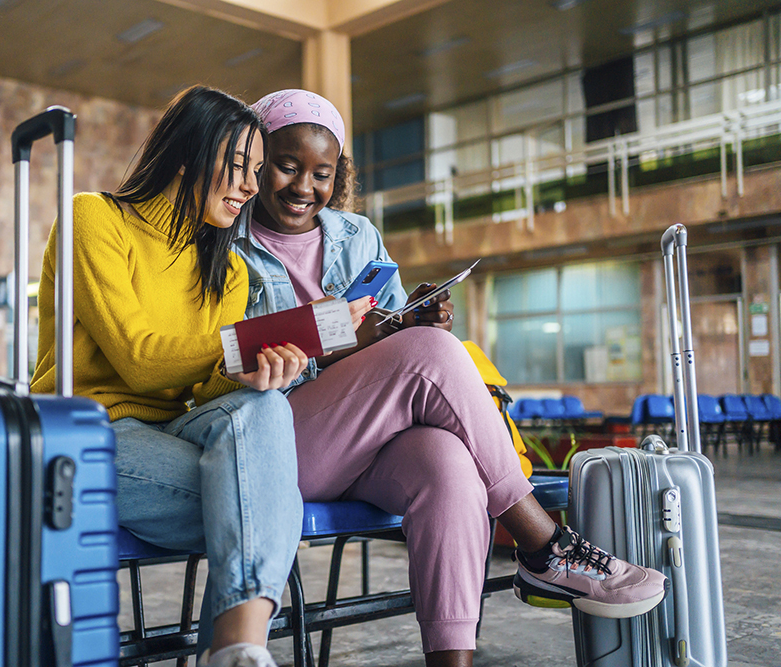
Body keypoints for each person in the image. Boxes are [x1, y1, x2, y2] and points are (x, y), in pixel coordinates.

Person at [232, 89, 668, 667]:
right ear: (258, 161)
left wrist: (409, 317)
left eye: (321, 173)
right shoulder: (225, 239)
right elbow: (231, 354)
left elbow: (385, 329)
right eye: (286, 167)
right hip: (279, 439)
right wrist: (346, 338)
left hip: (366, 439)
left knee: (448, 463)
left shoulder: (355, 233)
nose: (303, 187)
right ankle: (543, 545)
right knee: (433, 352)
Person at [31, 86, 309, 667]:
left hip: (173, 429)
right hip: (85, 431)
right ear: (187, 155)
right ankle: (232, 651)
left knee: (266, 409)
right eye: (238, 167)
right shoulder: (94, 219)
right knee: (253, 506)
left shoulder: (228, 267)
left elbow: (199, 388)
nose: (252, 187)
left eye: (257, 170)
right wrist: (236, 348)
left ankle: (238, 647)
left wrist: (255, 370)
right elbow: (139, 357)